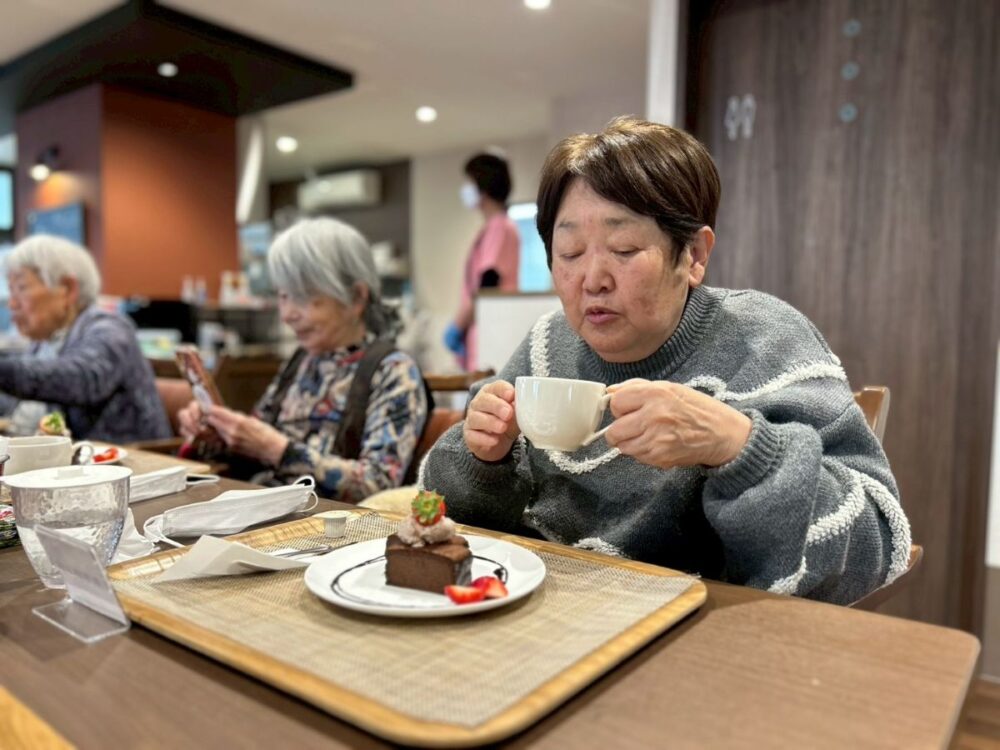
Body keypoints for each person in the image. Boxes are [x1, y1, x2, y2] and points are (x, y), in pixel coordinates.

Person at [421, 117, 910, 604]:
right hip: (543, 614)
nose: (592, 279)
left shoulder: (766, 340)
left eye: (624, 248)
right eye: (569, 252)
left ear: (694, 254)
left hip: (700, 634)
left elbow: (880, 539)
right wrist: (483, 459)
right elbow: (458, 520)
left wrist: (738, 447)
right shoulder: (549, 344)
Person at [178, 217, 429, 503]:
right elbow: (255, 446)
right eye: (283, 296)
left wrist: (278, 450)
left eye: (303, 297)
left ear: (357, 297)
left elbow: (377, 486)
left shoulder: (393, 371)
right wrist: (219, 434)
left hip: (329, 529)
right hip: (259, 509)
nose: (287, 314)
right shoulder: (301, 361)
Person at [0, 235, 170, 442]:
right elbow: (14, 403)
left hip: (130, 466)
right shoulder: (42, 343)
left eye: (21, 288)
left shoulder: (110, 328)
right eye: (11, 291)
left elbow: (78, 378)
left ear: (67, 289)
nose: (12, 304)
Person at [443, 151, 520, 369]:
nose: (465, 189)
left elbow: (488, 283)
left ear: (482, 186)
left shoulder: (500, 226)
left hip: (491, 329)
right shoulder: (492, 228)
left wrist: (458, 325)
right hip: (483, 328)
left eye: (469, 182)